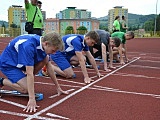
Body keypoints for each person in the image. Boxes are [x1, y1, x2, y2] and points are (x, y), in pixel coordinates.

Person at [0, 32, 68, 113]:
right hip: (8, 64)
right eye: (53, 50)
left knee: (45, 58)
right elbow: (29, 73)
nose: (54, 53)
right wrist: (31, 98)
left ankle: (22, 80)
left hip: (19, 61)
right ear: (46, 44)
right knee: (25, 89)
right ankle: (1, 81)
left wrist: (58, 87)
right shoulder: (28, 46)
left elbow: (49, 67)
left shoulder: (43, 43)